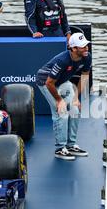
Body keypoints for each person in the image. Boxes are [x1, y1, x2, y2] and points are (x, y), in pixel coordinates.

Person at [37, 32, 91, 160]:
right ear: (73, 48)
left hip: (61, 81)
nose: (86, 48)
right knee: (61, 112)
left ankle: (71, 145)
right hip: (45, 82)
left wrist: (76, 97)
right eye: (82, 46)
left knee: (75, 109)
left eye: (86, 45)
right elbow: (49, 83)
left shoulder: (87, 57)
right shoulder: (63, 60)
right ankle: (60, 149)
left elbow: (84, 77)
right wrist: (59, 100)